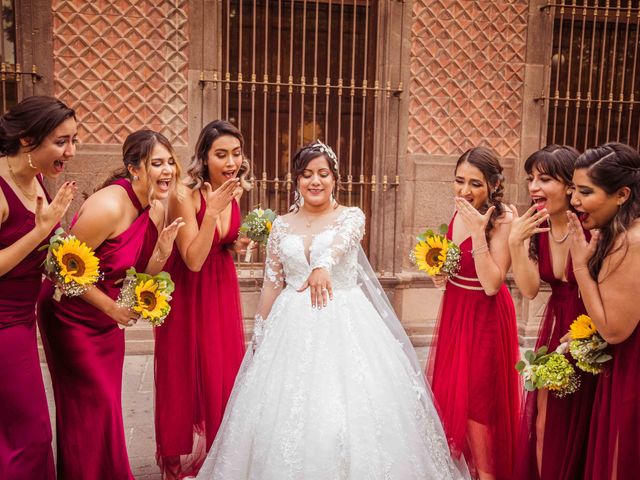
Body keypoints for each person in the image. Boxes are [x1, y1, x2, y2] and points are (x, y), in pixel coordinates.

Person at [195, 141, 469, 480]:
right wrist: (261, 331)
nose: (315, 181)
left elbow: (342, 245)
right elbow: (272, 282)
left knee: (348, 418)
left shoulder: (351, 217)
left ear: (335, 179)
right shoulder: (280, 225)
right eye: (307, 174)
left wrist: (322, 263)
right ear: (296, 180)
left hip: (346, 319)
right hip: (290, 326)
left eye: (323, 174)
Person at [37, 129, 184, 479]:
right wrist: (111, 308)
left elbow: (131, 280)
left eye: (170, 163)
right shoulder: (110, 205)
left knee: (106, 407)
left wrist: (161, 253)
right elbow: (57, 267)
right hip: (69, 317)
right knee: (90, 405)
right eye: (157, 163)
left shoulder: (155, 208)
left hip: (103, 320)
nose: (167, 171)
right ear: (134, 168)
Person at [155, 120, 251, 478]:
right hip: (190, 291)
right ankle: (176, 464)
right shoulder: (184, 194)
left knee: (221, 367)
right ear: (204, 156)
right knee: (185, 371)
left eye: (236, 154)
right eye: (221, 154)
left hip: (221, 285)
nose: (230, 162)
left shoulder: (233, 189)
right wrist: (212, 211)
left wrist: (236, 242)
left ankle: (220, 454)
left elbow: (219, 241)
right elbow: (193, 259)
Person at [427, 146, 521, 480]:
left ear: (494, 185)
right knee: (457, 396)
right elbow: (461, 265)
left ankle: (488, 473)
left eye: (475, 184)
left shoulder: (504, 220)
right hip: (456, 310)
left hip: (485, 318)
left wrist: (478, 230)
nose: (465, 191)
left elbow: (493, 283)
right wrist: (441, 271)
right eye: (459, 181)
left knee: (479, 405)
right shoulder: (460, 211)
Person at [0, 96, 77, 480]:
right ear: (29, 141)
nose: (71, 151)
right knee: (31, 435)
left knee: (13, 433)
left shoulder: (38, 181)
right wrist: (41, 231)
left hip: (21, 320)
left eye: (74, 140)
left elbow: (49, 252)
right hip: (1, 326)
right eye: (62, 142)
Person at [509, 145, 597, 480]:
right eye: (531, 178)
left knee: (585, 423)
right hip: (556, 330)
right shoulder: (538, 229)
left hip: (594, 331)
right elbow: (530, 289)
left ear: (570, 185)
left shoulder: (593, 228)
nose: (533, 187)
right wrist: (517, 243)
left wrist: (590, 335)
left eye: (544, 179)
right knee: (543, 421)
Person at [566, 142, 640, 479]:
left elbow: (612, 329)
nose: (574, 200)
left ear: (622, 194)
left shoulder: (632, 241)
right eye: (574, 189)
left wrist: (580, 265)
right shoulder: (622, 234)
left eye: (585, 191)